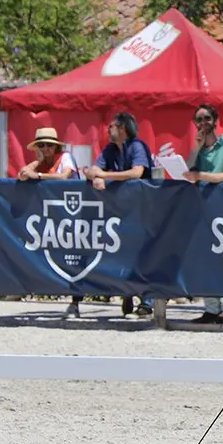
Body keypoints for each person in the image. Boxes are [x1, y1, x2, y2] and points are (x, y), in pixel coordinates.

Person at [84, 111, 155, 317]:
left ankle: (147, 301)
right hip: (120, 213)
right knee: (124, 254)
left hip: (143, 211)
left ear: (122, 128)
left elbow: (137, 172)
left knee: (144, 256)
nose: (109, 130)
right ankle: (127, 294)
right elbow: (92, 169)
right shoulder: (109, 149)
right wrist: (94, 177)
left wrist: (104, 175)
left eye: (112, 126)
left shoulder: (137, 146)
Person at [184, 104, 223, 324]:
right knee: (205, 257)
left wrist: (201, 176)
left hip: (221, 210)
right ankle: (210, 307)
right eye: (198, 119)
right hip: (201, 210)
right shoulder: (200, 150)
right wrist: (196, 149)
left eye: (207, 118)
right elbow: (188, 170)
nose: (203, 123)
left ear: (215, 120)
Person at [17, 127, 82, 318]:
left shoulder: (66, 158)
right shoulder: (42, 163)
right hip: (55, 221)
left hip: (77, 218)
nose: (46, 149)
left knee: (76, 262)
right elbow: (22, 173)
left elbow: (64, 177)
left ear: (56, 146)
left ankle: (76, 303)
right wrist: (35, 165)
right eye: (41, 145)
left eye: (49, 145)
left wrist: (37, 176)